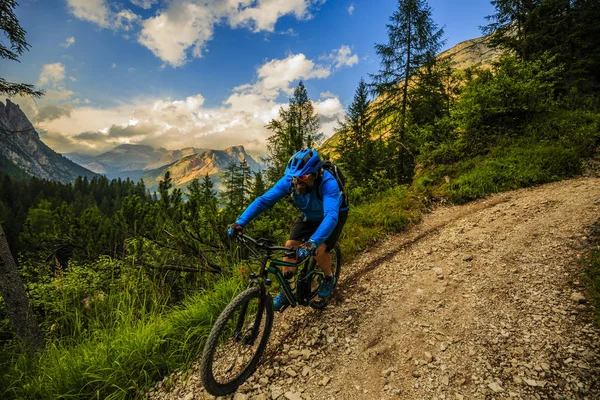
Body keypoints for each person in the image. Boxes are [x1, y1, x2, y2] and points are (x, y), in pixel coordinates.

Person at [227, 148, 349, 311]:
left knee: (319, 249)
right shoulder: (290, 181)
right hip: (309, 215)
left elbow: (331, 216)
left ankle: (328, 277)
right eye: (295, 178)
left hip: (333, 216)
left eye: (303, 177)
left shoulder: (328, 183)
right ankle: (287, 292)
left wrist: (311, 244)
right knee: (290, 246)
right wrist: (240, 222)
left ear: (315, 173)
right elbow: (264, 201)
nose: (297, 182)